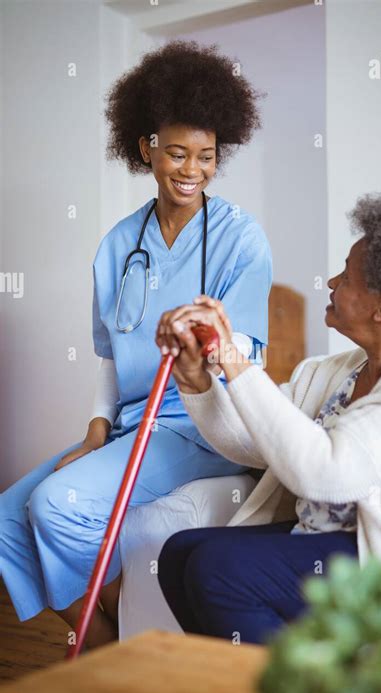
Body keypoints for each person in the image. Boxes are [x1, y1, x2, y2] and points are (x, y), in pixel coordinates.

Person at [0, 40, 272, 649]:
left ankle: (118, 637)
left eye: (206, 157)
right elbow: (109, 354)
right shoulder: (119, 244)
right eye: (176, 153)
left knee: (57, 506)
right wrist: (96, 432)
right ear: (146, 146)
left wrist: (204, 352)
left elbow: (244, 355)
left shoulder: (241, 239)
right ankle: (102, 641)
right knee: (4, 521)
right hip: (130, 424)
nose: (191, 170)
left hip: (203, 429)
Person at [156, 190, 381, 645]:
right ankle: (239, 684)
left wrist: (232, 358)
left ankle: (299, 691)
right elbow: (252, 439)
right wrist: (197, 380)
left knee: (217, 569)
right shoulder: (340, 371)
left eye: (347, 276)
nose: (331, 281)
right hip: (333, 540)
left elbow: (327, 475)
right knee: (180, 554)